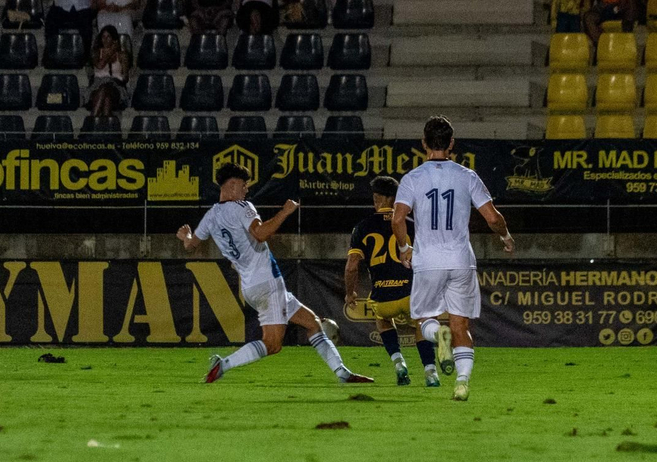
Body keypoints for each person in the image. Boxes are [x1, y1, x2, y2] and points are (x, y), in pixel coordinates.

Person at [179, 163, 370, 385]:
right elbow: (260, 233)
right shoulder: (242, 207)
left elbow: (192, 245)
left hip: (251, 287)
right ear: (231, 185)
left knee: (313, 323)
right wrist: (285, 212)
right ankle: (223, 364)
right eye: (243, 185)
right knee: (273, 344)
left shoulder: (211, 215)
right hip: (267, 283)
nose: (246, 190)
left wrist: (186, 236)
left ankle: (343, 374)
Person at [391, 116, 513, 402]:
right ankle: (461, 382)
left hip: (428, 260)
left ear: (423, 144)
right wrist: (506, 237)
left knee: (423, 319)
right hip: (461, 259)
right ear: (452, 144)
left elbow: (398, 219)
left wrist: (404, 247)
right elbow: (493, 218)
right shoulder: (466, 176)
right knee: (461, 327)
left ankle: (437, 336)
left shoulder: (413, 178)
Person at [345, 176, 441, 387]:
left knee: (383, 320)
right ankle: (430, 372)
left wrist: (349, 292)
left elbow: (352, 265)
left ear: (376, 198)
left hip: (382, 298)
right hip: (410, 294)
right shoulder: (412, 225)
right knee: (421, 323)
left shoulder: (362, 227)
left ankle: (399, 363)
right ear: (397, 198)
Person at [87, 25, 130, 120]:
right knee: (106, 98)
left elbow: (126, 76)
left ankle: (90, 124)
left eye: (108, 37)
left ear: (114, 39)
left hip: (115, 85)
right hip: (98, 84)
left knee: (106, 89)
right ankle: (106, 128)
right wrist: (110, 53)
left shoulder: (122, 55)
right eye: (103, 37)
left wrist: (122, 77)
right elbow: (100, 66)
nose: (105, 40)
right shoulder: (96, 52)